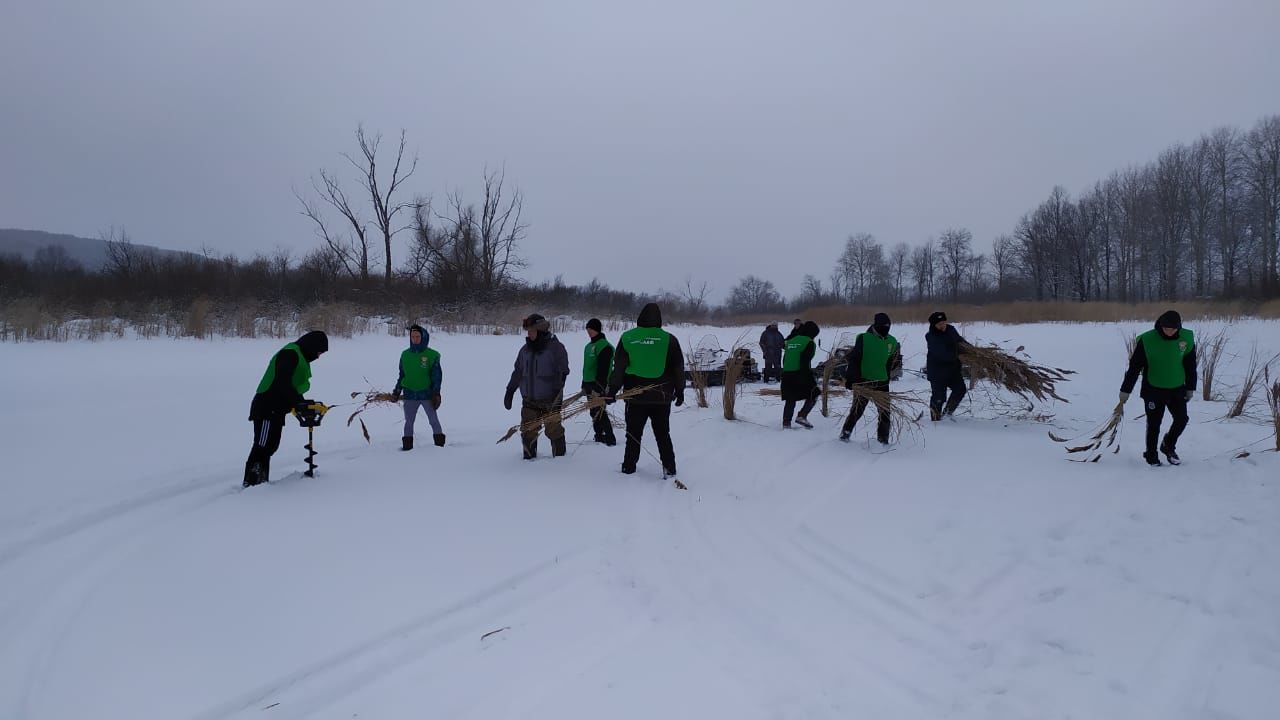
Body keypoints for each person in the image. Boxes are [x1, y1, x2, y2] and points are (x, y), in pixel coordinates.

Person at [608, 303, 685, 476]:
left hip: (635, 397)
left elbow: (618, 368)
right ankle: (670, 468)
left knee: (633, 434)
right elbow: (678, 368)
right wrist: (680, 391)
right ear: (659, 320)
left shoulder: (628, 337)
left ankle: (629, 467)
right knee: (663, 434)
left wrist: (612, 391)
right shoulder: (670, 339)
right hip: (662, 397)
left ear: (640, 318)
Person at [244, 330, 328, 487]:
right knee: (262, 445)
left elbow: (292, 388)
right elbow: (282, 382)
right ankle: (251, 482)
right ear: (311, 346)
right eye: (318, 352)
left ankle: (261, 482)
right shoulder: (289, 354)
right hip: (266, 407)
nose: (318, 357)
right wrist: (297, 402)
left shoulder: (299, 357)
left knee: (271, 446)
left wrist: (302, 403)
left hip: (277, 410)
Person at [1120, 310, 1197, 466]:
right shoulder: (1147, 340)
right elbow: (1135, 367)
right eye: (1166, 329)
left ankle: (1168, 445)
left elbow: (1190, 366)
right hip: (1153, 388)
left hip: (1177, 387)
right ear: (1160, 325)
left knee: (1182, 419)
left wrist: (1190, 387)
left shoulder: (1186, 339)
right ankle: (1151, 454)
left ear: (1179, 327)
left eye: (1173, 329)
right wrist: (1125, 390)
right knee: (1154, 423)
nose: (1169, 332)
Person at [504, 313, 570, 459]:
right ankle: (528, 460)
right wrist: (510, 391)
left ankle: (560, 460)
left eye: (532, 331)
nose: (529, 334)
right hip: (529, 400)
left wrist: (556, 395)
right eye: (528, 331)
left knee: (553, 430)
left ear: (540, 330)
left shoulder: (555, 348)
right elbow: (518, 372)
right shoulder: (525, 350)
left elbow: (563, 371)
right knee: (528, 430)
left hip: (550, 400)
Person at [840, 313, 902, 444]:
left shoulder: (892, 341)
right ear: (876, 325)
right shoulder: (863, 338)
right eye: (883, 326)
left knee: (885, 412)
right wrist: (851, 379)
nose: (886, 328)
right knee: (857, 410)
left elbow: (890, 362)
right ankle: (845, 433)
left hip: (882, 382)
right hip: (864, 381)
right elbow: (855, 359)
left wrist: (887, 377)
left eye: (888, 326)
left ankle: (883, 439)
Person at [392, 323, 444, 450]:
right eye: (412, 336)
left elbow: (437, 376)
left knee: (433, 420)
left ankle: (440, 446)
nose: (414, 339)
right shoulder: (405, 355)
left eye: (417, 336)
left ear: (424, 337)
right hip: (410, 394)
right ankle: (407, 447)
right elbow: (402, 374)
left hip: (427, 394)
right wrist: (397, 390)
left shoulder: (432, 355)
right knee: (408, 422)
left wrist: (436, 393)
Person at [925, 311, 969, 421]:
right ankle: (935, 419)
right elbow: (942, 354)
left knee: (960, 390)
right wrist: (958, 356)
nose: (942, 326)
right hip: (937, 372)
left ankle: (948, 413)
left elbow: (960, 342)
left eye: (944, 323)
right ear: (934, 325)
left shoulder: (951, 330)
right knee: (939, 397)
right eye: (939, 324)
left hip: (953, 370)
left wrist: (972, 351)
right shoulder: (931, 337)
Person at [582, 318, 617, 446]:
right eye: (588, 330)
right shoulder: (588, 346)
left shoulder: (604, 346)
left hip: (598, 385)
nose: (589, 332)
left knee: (599, 411)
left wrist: (599, 386)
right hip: (588, 383)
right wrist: (584, 383)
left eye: (591, 329)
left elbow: (604, 368)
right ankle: (599, 435)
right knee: (594, 411)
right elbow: (587, 367)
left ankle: (609, 437)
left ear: (597, 329)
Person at [780, 320, 820, 429]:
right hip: (799, 372)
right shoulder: (809, 342)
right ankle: (802, 416)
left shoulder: (791, 341)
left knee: (790, 398)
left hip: (786, 373)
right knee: (814, 393)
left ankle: (786, 423)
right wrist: (809, 377)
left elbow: (785, 358)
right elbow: (804, 361)